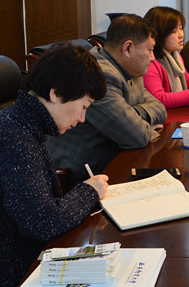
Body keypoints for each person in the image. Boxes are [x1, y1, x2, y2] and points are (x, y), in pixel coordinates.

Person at [0, 44, 109, 287]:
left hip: (15, 263)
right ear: (56, 93)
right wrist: (89, 192)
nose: (82, 118)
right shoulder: (14, 136)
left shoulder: (21, 123)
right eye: (83, 106)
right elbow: (42, 222)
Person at [46, 14, 167, 183]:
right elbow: (137, 137)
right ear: (128, 48)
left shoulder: (130, 70)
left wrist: (134, 114)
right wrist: (137, 123)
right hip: (80, 175)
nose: (153, 58)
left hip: (113, 163)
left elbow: (160, 108)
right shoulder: (100, 75)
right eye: (149, 49)